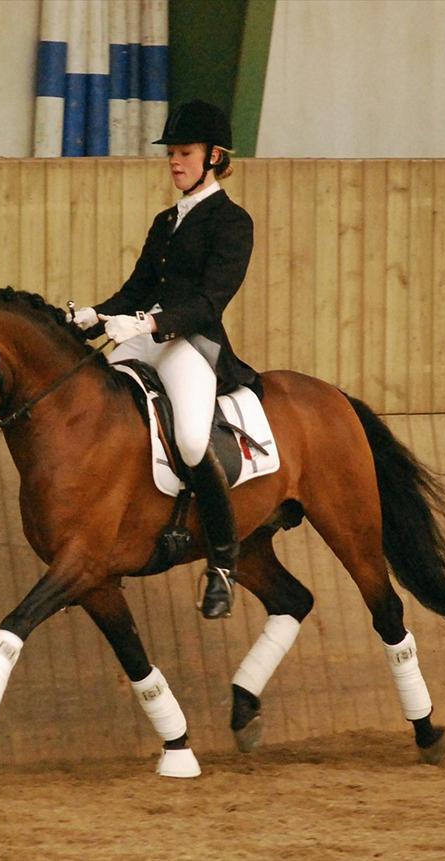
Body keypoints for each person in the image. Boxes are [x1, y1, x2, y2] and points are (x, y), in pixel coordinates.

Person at [68, 100, 259, 619]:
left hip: (191, 345)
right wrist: (95, 314)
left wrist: (148, 324)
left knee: (193, 440)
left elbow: (208, 302)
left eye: (185, 153)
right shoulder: (165, 221)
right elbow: (137, 289)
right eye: (171, 153)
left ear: (214, 157)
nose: (174, 162)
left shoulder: (232, 223)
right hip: (144, 336)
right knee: (92, 409)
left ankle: (222, 561)